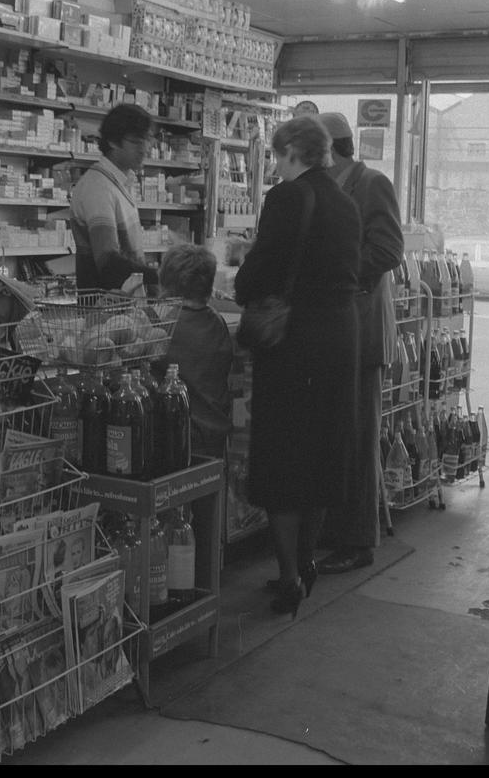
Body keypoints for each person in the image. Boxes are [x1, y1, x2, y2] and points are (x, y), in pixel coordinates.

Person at [233, 114, 361, 619]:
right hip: (339, 338)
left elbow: (261, 270)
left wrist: (243, 282)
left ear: (290, 152)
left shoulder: (286, 198)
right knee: (324, 451)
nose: (275, 165)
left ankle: (289, 577)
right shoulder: (346, 202)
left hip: (295, 343)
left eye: (276, 156)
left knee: (283, 456)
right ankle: (307, 560)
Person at [316, 111, 405, 575]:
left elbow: (388, 250)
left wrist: (335, 275)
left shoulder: (371, 184)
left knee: (358, 438)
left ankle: (358, 541)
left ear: (331, 149)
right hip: (339, 328)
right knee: (340, 436)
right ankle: (336, 532)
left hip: (363, 328)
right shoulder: (332, 188)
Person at [153, 244, 234, 461]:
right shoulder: (217, 321)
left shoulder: (162, 324)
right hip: (215, 436)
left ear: (166, 280)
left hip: (176, 435)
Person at [69, 103, 160, 293]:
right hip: (105, 308)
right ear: (112, 141)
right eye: (136, 142)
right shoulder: (99, 188)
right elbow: (108, 263)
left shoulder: (119, 182)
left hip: (125, 305)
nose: (145, 149)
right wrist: (161, 276)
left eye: (147, 140)